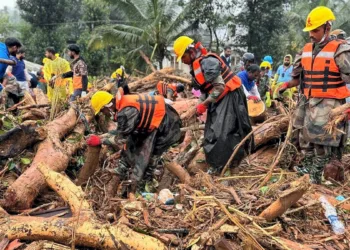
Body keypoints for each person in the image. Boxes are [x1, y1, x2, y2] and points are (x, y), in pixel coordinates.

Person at [278, 6, 350, 184]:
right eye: (310, 30)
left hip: (330, 103)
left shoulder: (340, 50)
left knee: (322, 142)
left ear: (327, 27)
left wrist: (347, 108)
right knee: (304, 138)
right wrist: (284, 85)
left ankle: (317, 176)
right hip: (308, 100)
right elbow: (296, 78)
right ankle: (308, 170)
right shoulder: (306, 50)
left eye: (315, 30)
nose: (311, 34)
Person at [173, 36, 253, 173]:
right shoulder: (198, 65)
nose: (183, 61)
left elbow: (219, 88)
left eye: (184, 57)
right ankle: (218, 166)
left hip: (230, 95)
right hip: (219, 98)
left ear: (191, 52)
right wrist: (197, 108)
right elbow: (206, 89)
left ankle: (228, 167)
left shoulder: (208, 62)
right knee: (211, 132)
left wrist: (204, 104)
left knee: (224, 134)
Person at [87, 89, 182, 193]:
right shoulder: (122, 105)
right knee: (133, 141)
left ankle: (144, 188)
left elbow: (121, 139)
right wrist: (101, 137)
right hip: (155, 123)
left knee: (149, 156)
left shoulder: (126, 112)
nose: (104, 114)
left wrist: (100, 141)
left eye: (102, 111)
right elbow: (121, 132)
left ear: (107, 106)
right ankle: (123, 167)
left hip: (167, 126)